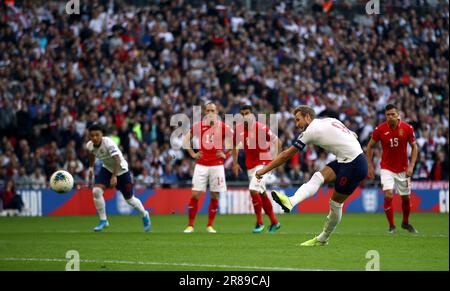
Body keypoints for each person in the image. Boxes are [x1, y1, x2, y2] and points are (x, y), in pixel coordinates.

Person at [255, 105, 368, 246]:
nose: (297, 124)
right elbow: (354, 134)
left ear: (308, 117)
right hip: (347, 160)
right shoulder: (330, 120)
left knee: (335, 204)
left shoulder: (311, 131)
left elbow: (285, 155)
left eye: (298, 120)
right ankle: (291, 201)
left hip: (354, 164)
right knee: (318, 177)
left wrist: (263, 170)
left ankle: (323, 238)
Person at [86, 123, 151, 232]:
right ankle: (103, 220)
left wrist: (114, 176)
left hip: (122, 170)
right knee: (96, 191)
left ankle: (144, 214)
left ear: (102, 135)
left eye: (97, 135)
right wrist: (91, 168)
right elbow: (92, 154)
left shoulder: (109, 143)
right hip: (107, 169)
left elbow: (117, 160)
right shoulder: (90, 145)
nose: (95, 138)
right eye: (92, 136)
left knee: (130, 200)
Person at [366, 104, 419, 234]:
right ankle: (392, 226)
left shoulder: (407, 128)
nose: (390, 117)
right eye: (388, 115)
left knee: (405, 198)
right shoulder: (380, 129)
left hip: (403, 169)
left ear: (398, 114)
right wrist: (370, 165)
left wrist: (411, 166)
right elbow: (369, 147)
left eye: (393, 114)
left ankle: (405, 223)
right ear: (385, 116)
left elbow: (414, 147)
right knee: (389, 194)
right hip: (386, 168)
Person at [182, 102, 233, 233]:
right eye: (208, 110)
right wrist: (193, 153)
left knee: (214, 196)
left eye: (213, 111)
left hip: (217, 165)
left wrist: (226, 154)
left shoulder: (223, 126)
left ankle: (210, 225)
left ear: (216, 112)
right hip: (201, 165)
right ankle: (190, 225)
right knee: (195, 195)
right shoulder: (198, 126)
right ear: (205, 112)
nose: (210, 113)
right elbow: (185, 140)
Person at [232, 104, 281, 233]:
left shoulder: (261, 127)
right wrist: (235, 163)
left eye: (247, 113)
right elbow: (235, 146)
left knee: (253, 190)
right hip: (250, 166)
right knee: (261, 193)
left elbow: (277, 141)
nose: (244, 116)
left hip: (263, 164)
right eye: (242, 114)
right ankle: (274, 222)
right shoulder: (238, 129)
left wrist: (274, 161)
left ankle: (259, 223)